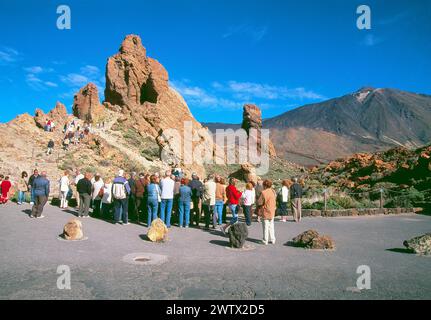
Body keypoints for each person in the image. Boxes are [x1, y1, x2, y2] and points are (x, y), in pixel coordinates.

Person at [257, 179, 277, 245]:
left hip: (265, 211)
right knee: (271, 226)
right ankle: (273, 239)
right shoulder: (273, 191)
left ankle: (265, 240)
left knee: (265, 226)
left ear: (264, 185)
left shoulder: (263, 192)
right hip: (272, 210)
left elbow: (259, 202)